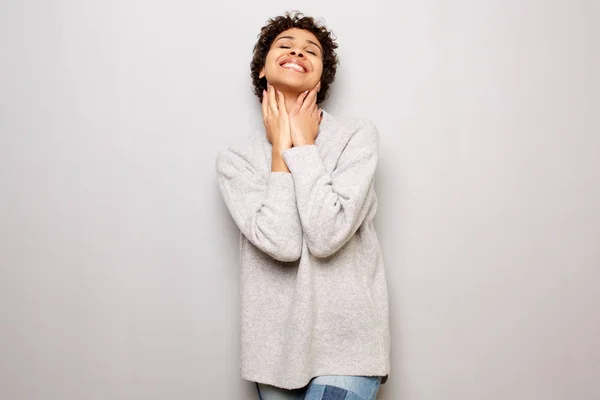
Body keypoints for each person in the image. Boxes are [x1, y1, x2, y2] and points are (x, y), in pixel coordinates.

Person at [216, 11, 391, 400]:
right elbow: (282, 244)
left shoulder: (355, 138)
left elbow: (326, 235)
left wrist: (305, 145)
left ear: (320, 76)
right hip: (274, 353)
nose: (298, 51)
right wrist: (281, 148)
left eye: (311, 50)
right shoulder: (237, 160)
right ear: (262, 68)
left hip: (348, 347)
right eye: (285, 45)